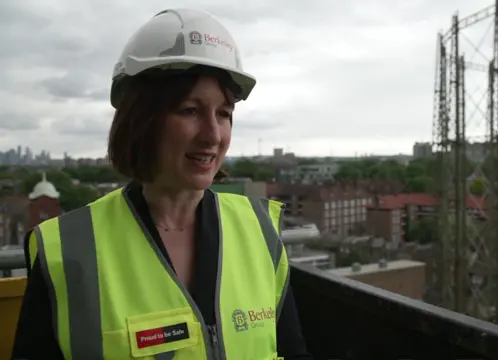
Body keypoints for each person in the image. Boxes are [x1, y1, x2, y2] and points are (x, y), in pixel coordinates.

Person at [12, 8, 313, 360]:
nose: (213, 136)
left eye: (224, 114)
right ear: (141, 119)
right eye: (190, 110)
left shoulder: (260, 231)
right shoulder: (66, 250)